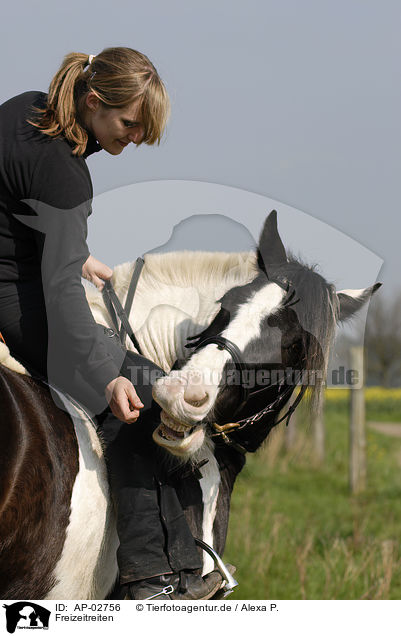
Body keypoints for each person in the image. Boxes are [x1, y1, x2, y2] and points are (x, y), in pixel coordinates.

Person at [0, 47, 223, 600]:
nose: (134, 140)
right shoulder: (67, 173)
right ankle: (152, 580)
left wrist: (73, 254)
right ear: (94, 102)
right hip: (24, 304)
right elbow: (63, 304)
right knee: (148, 406)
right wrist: (107, 377)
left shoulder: (24, 109)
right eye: (128, 124)